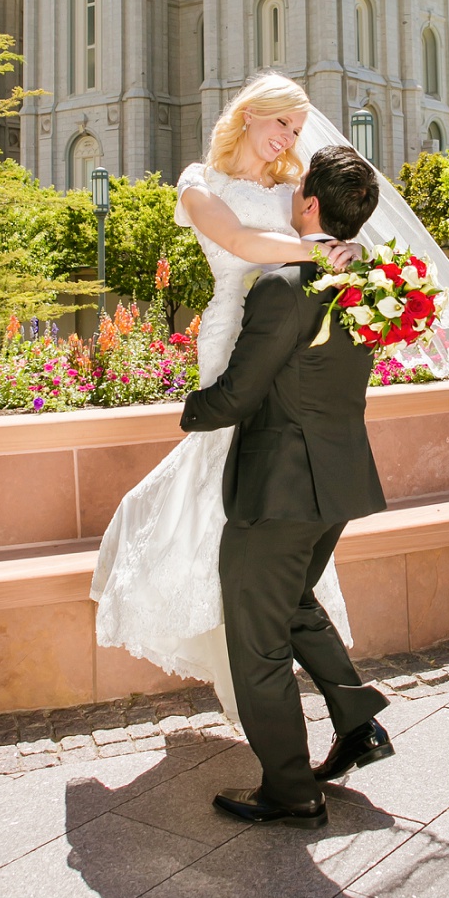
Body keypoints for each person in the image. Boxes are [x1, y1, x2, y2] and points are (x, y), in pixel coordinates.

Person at [90, 74, 358, 720]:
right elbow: (238, 244)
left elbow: (316, 245)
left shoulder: (291, 190)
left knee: (256, 490)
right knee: (221, 480)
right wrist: (311, 249)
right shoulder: (197, 182)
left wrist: (337, 248)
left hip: (284, 340)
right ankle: (246, 652)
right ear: (250, 115)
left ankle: (264, 651)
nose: (289, 139)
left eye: (296, 130)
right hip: (230, 335)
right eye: (282, 125)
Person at [180, 144, 394, 826]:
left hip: (279, 489)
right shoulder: (372, 286)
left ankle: (291, 789)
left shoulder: (282, 286)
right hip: (336, 481)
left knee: (258, 635)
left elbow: (240, 395)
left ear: (307, 205)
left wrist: (188, 410)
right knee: (297, 603)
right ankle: (359, 725)